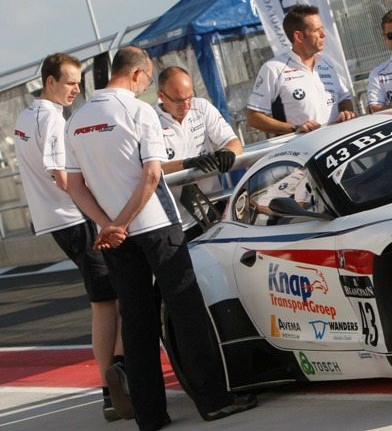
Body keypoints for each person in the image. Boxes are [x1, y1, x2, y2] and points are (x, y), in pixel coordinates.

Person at [64, 46, 257, 431]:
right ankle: (214, 401)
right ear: (136, 75)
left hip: (115, 237)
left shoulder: (77, 119)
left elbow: (73, 184)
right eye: (149, 80)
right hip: (155, 224)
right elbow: (152, 175)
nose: (148, 87)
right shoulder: (138, 111)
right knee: (187, 312)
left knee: (136, 323)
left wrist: (109, 224)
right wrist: (125, 220)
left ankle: (150, 416)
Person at [13, 53, 125, 422]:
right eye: (71, 82)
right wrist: (102, 213)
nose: (77, 89)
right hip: (76, 219)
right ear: (50, 82)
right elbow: (62, 177)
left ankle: (117, 381)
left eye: (78, 81)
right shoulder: (53, 118)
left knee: (111, 298)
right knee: (113, 299)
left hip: (57, 222)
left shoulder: (25, 116)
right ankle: (116, 383)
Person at [155, 66, 243, 241]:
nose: (186, 105)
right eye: (179, 100)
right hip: (175, 220)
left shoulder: (201, 106)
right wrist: (188, 164)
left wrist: (227, 152)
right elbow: (152, 169)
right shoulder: (149, 120)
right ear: (161, 96)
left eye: (189, 97)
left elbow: (234, 142)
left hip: (213, 204)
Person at [246, 4, 355, 135]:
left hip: (336, 142)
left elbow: (344, 98)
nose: (323, 34)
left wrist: (346, 112)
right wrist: (294, 128)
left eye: (322, 28)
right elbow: (253, 117)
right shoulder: (273, 68)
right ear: (298, 36)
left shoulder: (327, 62)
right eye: (316, 30)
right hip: (302, 151)